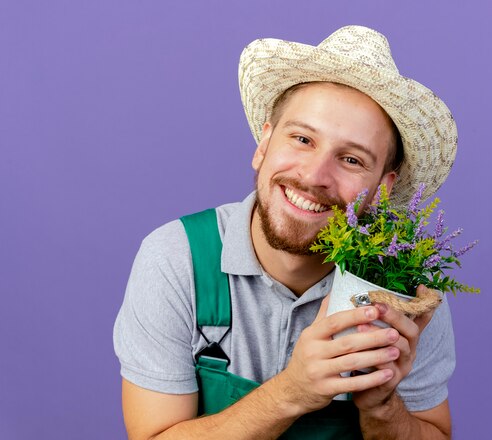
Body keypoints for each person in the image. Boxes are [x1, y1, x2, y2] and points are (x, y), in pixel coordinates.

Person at [114, 25, 458, 439]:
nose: (314, 176)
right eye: (302, 138)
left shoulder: (400, 291)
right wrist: (292, 391)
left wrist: (383, 405)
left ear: (382, 190)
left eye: (351, 159)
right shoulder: (177, 260)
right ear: (264, 143)